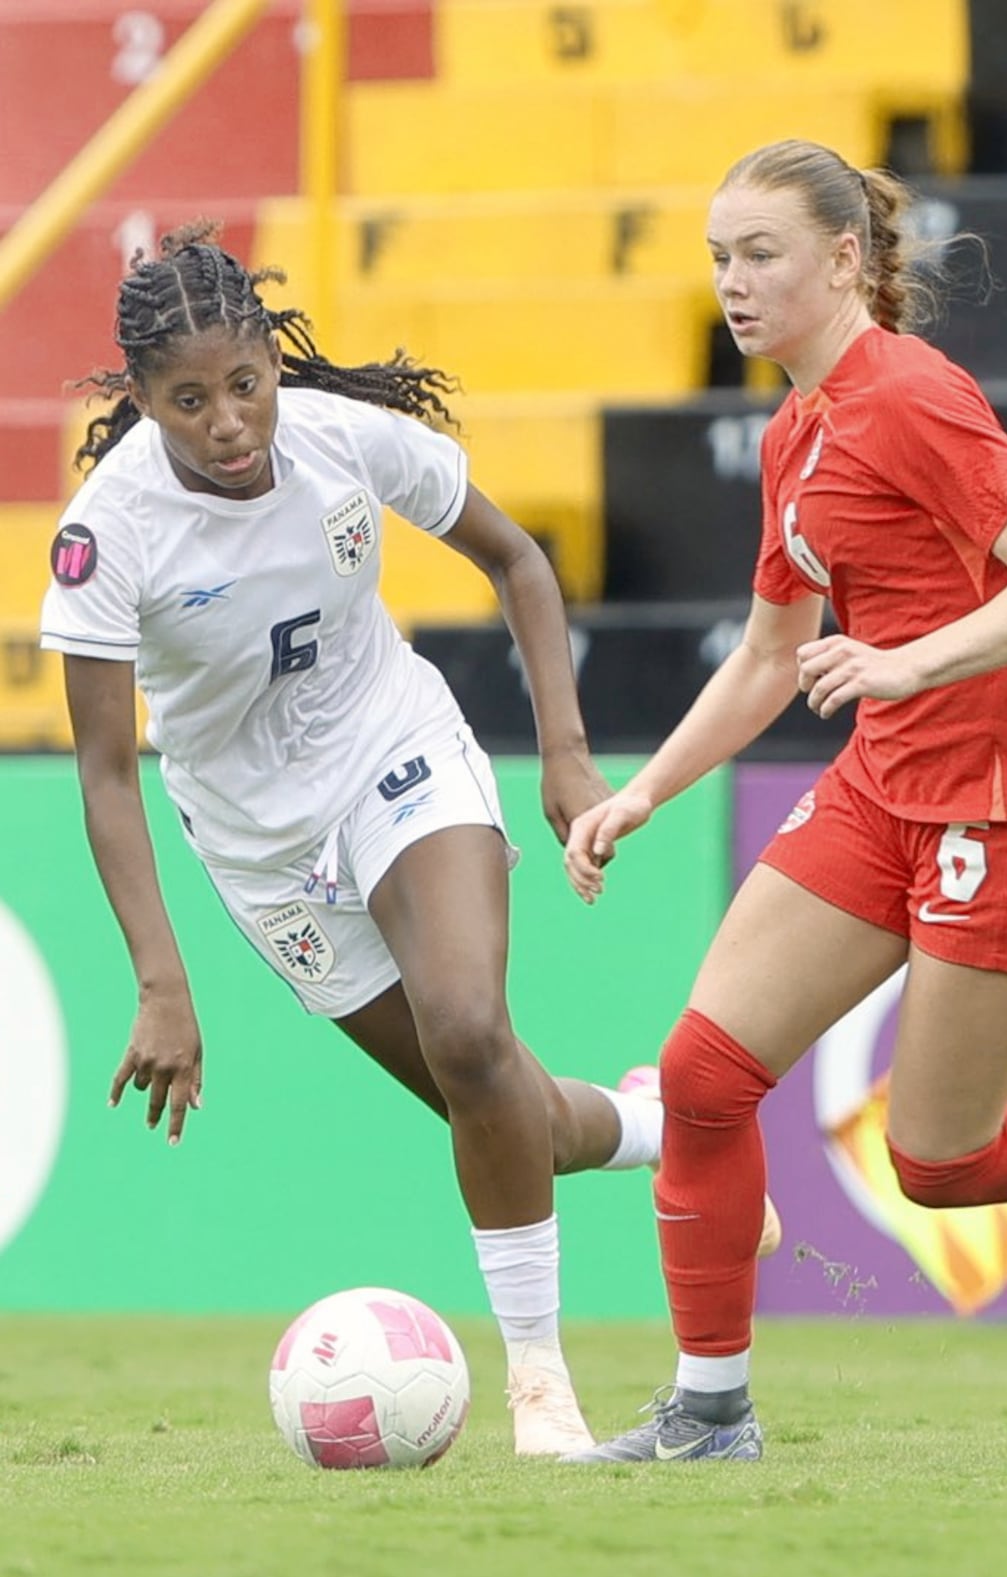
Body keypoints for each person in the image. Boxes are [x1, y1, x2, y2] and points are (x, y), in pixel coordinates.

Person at [560, 139, 1007, 1463]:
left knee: (942, 1159)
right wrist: (647, 790)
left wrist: (907, 661)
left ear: (847, 260)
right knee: (703, 1075)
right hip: (884, 787)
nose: (733, 282)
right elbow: (769, 653)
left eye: (762, 254)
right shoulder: (796, 430)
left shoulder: (911, 395)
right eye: (719, 258)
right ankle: (709, 1411)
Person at [39, 221, 671, 1460]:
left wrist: (564, 749)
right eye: (189, 402)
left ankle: (540, 1386)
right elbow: (108, 774)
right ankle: (660, 1128)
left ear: (274, 362)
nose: (229, 423)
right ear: (142, 401)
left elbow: (517, 560)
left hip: (395, 749)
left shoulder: (344, 439)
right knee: (505, 1110)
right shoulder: (106, 538)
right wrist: (162, 982)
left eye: (245, 384)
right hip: (260, 848)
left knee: (471, 1032)